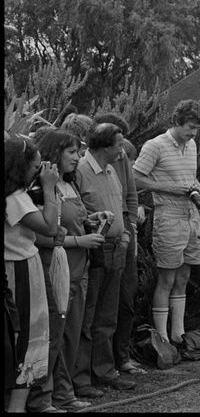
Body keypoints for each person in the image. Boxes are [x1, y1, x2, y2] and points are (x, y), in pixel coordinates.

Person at [27, 131, 103, 412]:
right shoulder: (38, 189)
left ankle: (63, 391)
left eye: (78, 152)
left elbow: (69, 221)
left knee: (71, 334)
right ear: (55, 152)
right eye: (71, 152)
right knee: (53, 336)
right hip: (54, 269)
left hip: (79, 269)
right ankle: (42, 398)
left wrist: (91, 220)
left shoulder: (70, 184)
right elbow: (41, 234)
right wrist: (78, 240)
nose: (77, 157)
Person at [133, 99, 200, 342]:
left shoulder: (192, 144)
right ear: (176, 122)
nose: (193, 133)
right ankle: (161, 337)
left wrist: (199, 189)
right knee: (166, 277)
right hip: (168, 216)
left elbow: (189, 177)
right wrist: (170, 188)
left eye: (196, 129)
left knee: (184, 276)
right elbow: (135, 179)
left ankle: (178, 334)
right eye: (189, 127)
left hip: (191, 216)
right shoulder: (155, 145)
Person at [73, 123, 136, 394]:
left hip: (117, 248)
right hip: (94, 249)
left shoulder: (111, 171)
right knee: (87, 317)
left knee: (108, 316)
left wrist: (124, 237)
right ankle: (82, 378)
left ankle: (105, 371)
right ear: (104, 147)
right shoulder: (80, 171)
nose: (122, 151)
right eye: (119, 145)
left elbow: (120, 206)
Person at [5, 135, 60, 413]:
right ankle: (16, 408)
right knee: (26, 338)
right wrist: (50, 188)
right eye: (36, 167)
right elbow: (50, 227)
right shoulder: (14, 199)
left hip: (18, 268)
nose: (39, 172)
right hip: (20, 271)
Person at [91, 112, 145, 377]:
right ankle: (104, 363)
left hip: (124, 233)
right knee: (103, 303)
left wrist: (131, 227)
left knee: (125, 297)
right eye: (118, 142)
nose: (122, 149)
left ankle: (121, 356)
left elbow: (131, 194)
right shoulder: (93, 164)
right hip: (104, 237)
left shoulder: (119, 160)